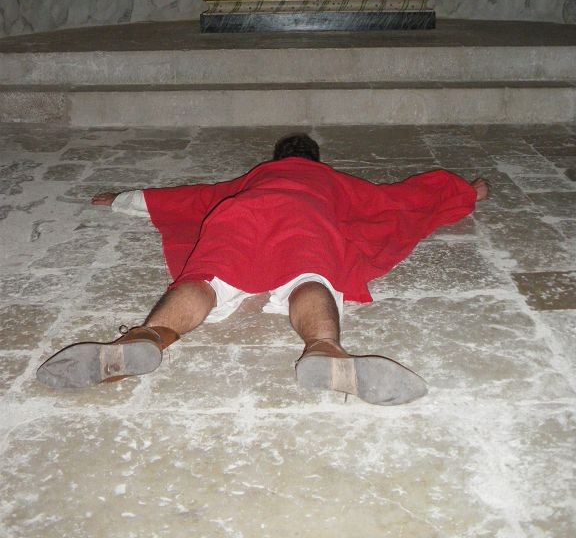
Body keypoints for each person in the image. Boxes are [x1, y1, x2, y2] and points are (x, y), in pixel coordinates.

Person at [37, 133, 489, 405]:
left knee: (206, 281)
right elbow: (395, 199)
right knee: (310, 279)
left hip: (241, 214)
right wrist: (462, 193)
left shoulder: (256, 177)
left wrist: (125, 199)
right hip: (306, 220)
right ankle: (324, 350)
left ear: (276, 158)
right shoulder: (331, 179)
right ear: (315, 159)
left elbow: (196, 197)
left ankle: (146, 337)